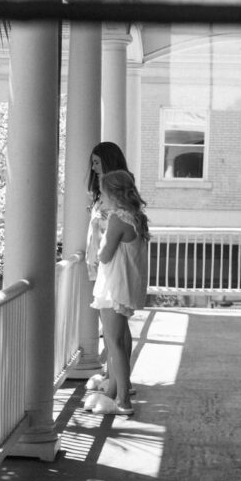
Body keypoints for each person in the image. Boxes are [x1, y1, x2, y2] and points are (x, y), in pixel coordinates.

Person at [91, 169, 149, 415]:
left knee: (113, 343)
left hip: (114, 286)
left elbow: (104, 255)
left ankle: (124, 401)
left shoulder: (116, 219)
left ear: (113, 194)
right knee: (122, 339)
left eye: (103, 192)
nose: (100, 196)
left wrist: (97, 228)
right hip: (125, 284)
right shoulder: (135, 216)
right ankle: (116, 391)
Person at [85, 142, 133, 370]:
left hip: (111, 263)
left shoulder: (118, 191)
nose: (93, 167)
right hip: (99, 262)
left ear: (107, 160)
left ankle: (119, 383)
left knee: (116, 328)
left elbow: (116, 224)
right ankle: (114, 377)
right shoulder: (101, 191)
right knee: (113, 326)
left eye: (96, 162)